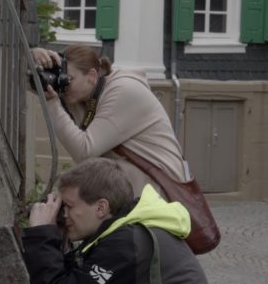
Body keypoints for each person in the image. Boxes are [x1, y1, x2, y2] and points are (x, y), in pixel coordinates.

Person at [11, 158, 217, 284]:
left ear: (101, 207)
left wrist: (42, 236)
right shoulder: (132, 232)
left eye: (69, 206)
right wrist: (59, 238)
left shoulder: (125, 246)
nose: (63, 214)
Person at [31, 46, 187, 195]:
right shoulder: (87, 93)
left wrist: (53, 103)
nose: (63, 86)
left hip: (160, 188)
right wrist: (33, 58)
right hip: (133, 181)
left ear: (92, 76)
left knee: (80, 186)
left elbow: (84, 150)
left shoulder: (123, 91)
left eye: (68, 79)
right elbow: (32, 83)